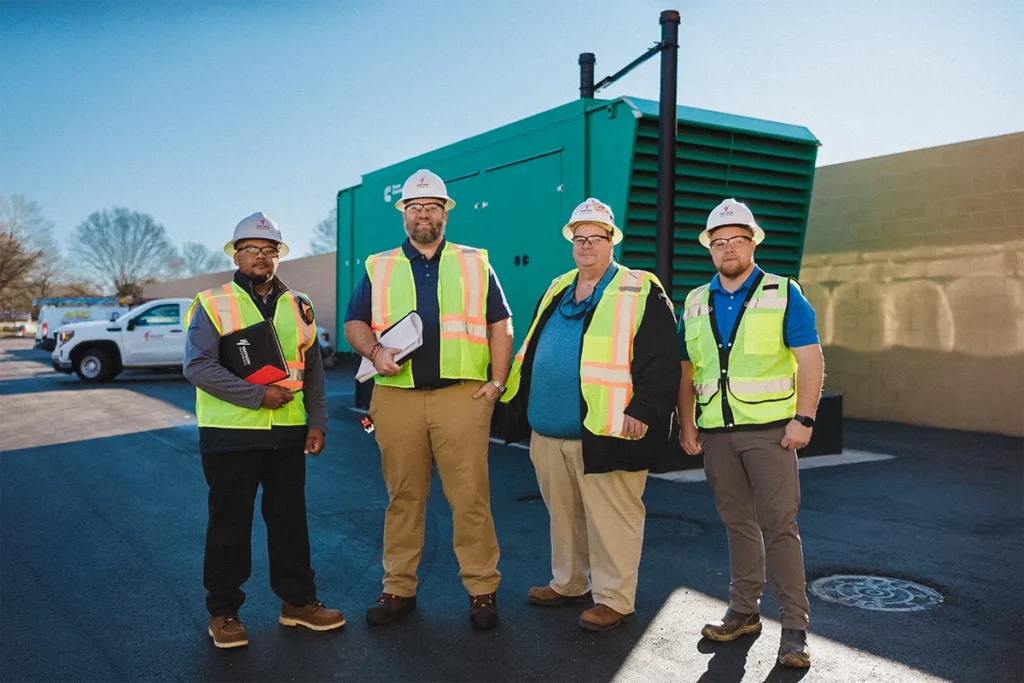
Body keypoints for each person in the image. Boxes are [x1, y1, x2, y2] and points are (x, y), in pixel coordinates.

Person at [343, 170, 513, 630]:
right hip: (396, 397)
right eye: (415, 207)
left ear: (445, 214)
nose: (424, 214)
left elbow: (500, 324)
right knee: (403, 497)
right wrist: (374, 352)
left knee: (470, 498)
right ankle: (398, 589)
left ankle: (482, 590)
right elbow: (355, 323)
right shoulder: (379, 266)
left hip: (461, 396)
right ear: (404, 214)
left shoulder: (475, 262)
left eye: (432, 207)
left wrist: (497, 384)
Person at [501, 198, 680, 632]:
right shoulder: (559, 286)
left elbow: (663, 358)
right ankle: (569, 583)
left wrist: (645, 410)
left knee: (612, 519)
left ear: (612, 241)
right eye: (578, 238)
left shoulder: (640, 288)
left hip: (608, 429)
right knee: (563, 517)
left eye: (595, 238)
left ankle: (615, 600)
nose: (585, 245)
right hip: (549, 431)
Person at [184, 212, 345, 649]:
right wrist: (257, 396)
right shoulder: (212, 302)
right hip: (229, 434)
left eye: (269, 250)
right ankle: (224, 612)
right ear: (236, 255)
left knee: (290, 523)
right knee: (229, 526)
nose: (261, 256)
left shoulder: (299, 304)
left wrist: (318, 422)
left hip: (287, 434)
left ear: (278, 256)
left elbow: (312, 369)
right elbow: (197, 366)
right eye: (252, 249)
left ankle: (298, 603)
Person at [677, 198, 823, 668]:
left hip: (770, 434)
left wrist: (804, 419)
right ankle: (743, 612)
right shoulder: (694, 301)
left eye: (737, 240)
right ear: (709, 248)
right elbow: (687, 368)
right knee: (737, 523)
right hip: (717, 435)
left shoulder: (783, 292)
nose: (728, 249)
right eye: (719, 242)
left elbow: (810, 358)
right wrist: (687, 421)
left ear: (753, 243)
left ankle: (795, 629)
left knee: (780, 527)